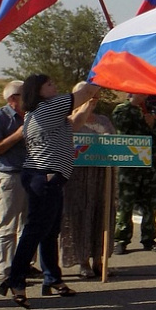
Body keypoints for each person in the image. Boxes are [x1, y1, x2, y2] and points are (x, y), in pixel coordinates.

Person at [0, 74, 101, 307]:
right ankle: (15, 279)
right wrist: (102, 77)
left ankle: (52, 278)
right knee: (35, 229)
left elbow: (73, 124)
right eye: (50, 84)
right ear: (38, 91)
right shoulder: (47, 108)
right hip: (44, 175)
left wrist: (90, 104)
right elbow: (83, 91)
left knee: (49, 230)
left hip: (47, 176)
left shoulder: (44, 114)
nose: (55, 86)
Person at [61, 100, 113, 278]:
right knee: (80, 218)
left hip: (101, 176)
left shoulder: (103, 120)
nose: (90, 102)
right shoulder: (68, 121)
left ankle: (99, 260)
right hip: (76, 177)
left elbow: (116, 143)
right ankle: (83, 262)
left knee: (100, 216)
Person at [111, 92, 156, 254]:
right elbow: (120, 124)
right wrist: (133, 105)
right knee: (125, 203)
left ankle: (149, 238)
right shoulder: (122, 109)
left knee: (150, 204)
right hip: (129, 166)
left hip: (151, 165)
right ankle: (121, 239)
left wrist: (152, 124)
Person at [0, 80, 29, 282]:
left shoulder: (30, 116)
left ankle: (23, 264)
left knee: (27, 225)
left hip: (31, 174)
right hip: (10, 176)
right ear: (13, 99)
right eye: (25, 94)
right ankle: (6, 269)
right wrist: (17, 136)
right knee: (8, 225)